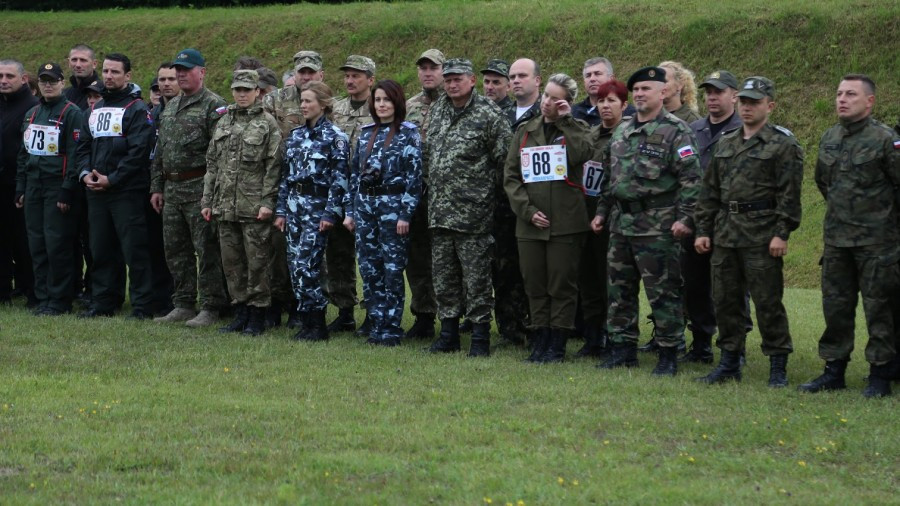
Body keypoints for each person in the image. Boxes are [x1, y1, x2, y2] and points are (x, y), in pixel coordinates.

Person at [590, 66, 701, 376]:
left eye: (646, 89)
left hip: (658, 225)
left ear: (662, 93)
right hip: (621, 224)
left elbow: (692, 179)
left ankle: (668, 352)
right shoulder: (623, 130)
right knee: (619, 291)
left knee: (663, 293)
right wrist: (601, 212)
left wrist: (686, 218)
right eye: (635, 90)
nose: (639, 94)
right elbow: (610, 178)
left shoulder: (676, 131)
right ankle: (622, 350)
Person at [694, 76, 803, 387]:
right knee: (725, 300)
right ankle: (729, 362)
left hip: (762, 234)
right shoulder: (726, 143)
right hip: (726, 233)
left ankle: (777, 366)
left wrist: (782, 232)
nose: (747, 107)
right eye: (743, 101)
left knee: (767, 301)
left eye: (754, 101)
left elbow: (790, 194)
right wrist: (704, 229)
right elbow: (710, 191)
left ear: (770, 105)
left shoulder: (783, 144)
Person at [800, 74, 900, 398]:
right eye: (839, 93)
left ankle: (881, 374)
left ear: (869, 101)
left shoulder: (887, 139)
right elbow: (823, 182)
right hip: (837, 241)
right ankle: (833, 370)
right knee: (836, 308)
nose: (842, 99)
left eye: (851, 94)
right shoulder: (829, 137)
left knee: (880, 309)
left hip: (877, 243)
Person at [424, 58, 511, 357]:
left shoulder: (489, 114)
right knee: (444, 278)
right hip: (439, 212)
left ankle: (480, 338)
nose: (451, 84)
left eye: (458, 78)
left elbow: (505, 162)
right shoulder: (437, 111)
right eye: (447, 79)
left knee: (477, 280)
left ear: (472, 80)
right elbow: (428, 155)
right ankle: (447, 333)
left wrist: (489, 200)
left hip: (474, 215)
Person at [503, 73, 593, 362]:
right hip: (530, 224)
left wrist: (566, 122)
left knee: (561, 285)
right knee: (535, 284)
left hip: (565, 224)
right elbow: (511, 176)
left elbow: (581, 154)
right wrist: (527, 211)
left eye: (556, 99)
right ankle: (539, 337)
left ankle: (558, 340)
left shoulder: (577, 128)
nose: (547, 103)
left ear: (566, 103)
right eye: (546, 96)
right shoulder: (525, 131)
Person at [150, 48, 229, 327]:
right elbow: (161, 151)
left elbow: (220, 154)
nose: (181, 75)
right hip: (172, 188)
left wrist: (212, 194)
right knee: (176, 249)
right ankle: (183, 302)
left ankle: (211, 305)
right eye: (178, 70)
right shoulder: (170, 105)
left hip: (199, 187)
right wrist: (157, 186)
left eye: (186, 70)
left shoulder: (214, 106)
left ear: (202, 72)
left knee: (207, 249)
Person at [202, 70, 283, 336]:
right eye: (237, 89)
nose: (242, 94)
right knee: (232, 263)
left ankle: (258, 314)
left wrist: (267, 202)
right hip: (225, 206)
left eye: (247, 90)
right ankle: (240, 312)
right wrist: (207, 200)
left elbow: (274, 167)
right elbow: (213, 163)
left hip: (253, 207)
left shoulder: (268, 123)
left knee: (258, 263)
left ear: (258, 91)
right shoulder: (223, 122)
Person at [74, 52, 155, 319]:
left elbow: (138, 152)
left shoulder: (136, 109)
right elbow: (83, 146)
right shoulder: (93, 110)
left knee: (134, 250)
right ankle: (104, 302)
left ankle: (143, 305)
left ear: (127, 76)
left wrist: (113, 179)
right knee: (100, 249)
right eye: (106, 71)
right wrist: (85, 173)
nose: (108, 76)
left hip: (126, 192)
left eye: (115, 72)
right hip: (96, 191)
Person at [343, 80, 422, 346]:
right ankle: (375, 323)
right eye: (377, 100)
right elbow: (355, 174)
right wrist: (351, 211)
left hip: (393, 208)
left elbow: (414, 178)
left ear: (397, 102)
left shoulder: (408, 133)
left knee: (391, 269)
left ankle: (391, 326)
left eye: (386, 100)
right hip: (366, 208)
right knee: (369, 267)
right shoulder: (366, 133)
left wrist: (405, 214)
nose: (381, 105)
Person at [275, 81, 349, 341]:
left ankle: (317, 322)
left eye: (308, 101)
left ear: (323, 104)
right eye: (302, 101)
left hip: (317, 210)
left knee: (308, 266)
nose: (303, 105)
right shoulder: (295, 136)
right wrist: (281, 210)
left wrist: (330, 213)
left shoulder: (336, 138)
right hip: (294, 208)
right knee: (295, 267)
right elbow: (286, 177)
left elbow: (339, 180)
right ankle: (306, 321)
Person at [680, 70, 744, 364]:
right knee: (695, 285)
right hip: (696, 219)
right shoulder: (694, 128)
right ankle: (701, 343)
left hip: (730, 222)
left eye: (719, 92)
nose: (712, 97)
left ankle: (735, 347)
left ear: (734, 96)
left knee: (731, 288)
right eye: (708, 92)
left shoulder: (744, 129)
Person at [262, 49, 324, 329]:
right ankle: (278, 303)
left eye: (311, 72)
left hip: (314, 190)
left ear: (320, 74)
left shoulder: (326, 103)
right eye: (302, 71)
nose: (306, 76)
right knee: (278, 249)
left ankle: (305, 307)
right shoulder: (274, 100)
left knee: (311, 254)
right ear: (295, 74)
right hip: (279, 184)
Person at [15, 62, 83, 315]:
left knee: (57, 244)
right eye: (43, 81)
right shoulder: (33, 113)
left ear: (62, 83)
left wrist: (67, 189)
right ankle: (42, 295)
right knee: (37, 243)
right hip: (34, 186)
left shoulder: (71, 112)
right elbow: (24, 153)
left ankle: (59, 299)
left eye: (52, 80)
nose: (47, 85)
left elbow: (76, 155)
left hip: (57, 186)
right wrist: (20, 187)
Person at [574, 79, 630, 359]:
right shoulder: (590, 136)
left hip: (614, 220)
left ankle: (614, 336)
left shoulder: (628, 136)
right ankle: (592, 336)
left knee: (612, 281)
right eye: (601, 101)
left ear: (624, 105)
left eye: (611, 101)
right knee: (588, 280)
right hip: (585, 217)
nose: (605, 106)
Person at [326, 54, 377, 333]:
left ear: (370, 79)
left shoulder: (379, 109)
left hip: (368, 194)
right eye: (347, 75)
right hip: (339, 191)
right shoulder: (335, 108)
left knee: (370, 256)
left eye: (356, 75)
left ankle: (373, 312)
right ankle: (344, 310)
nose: (349, 80)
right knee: (338, 255)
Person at [403, 49, 444, 340]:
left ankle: (455, 316)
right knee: (417, 259)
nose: (427, 73)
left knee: (447, 259)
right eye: (423, 68)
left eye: (433, 67)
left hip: (446, 195)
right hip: (416, 194)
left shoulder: (455, 104)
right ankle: (424, 315)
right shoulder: (409, 107)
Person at [0, 58, 38, 306]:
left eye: (9, 76)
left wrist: (23, 185)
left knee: (25, 242)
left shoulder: (33, 107)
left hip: (20, 184)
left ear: (24, 79)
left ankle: (32, 291)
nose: (3, 81)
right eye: (0, 76)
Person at [146, 62, 178, 316]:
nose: (165, 84)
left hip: (184, 188)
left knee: (182, 249)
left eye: (170, 79)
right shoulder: (153, 114)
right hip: (156, 187)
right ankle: (161, 298)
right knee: (158, 247)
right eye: (161, 80)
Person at [573, 57, 635, 126]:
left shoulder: (630, 113)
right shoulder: (573, 113)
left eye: (597, 74)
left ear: (611, 78)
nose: (592, 79)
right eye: (588, 75)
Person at [63, 44, 99, 110]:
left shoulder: (103, 94)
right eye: (74, 60)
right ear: (68, 63)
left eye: (83, 60)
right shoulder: (63, 94)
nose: (78, 65)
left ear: (94, 64)